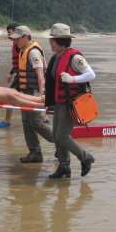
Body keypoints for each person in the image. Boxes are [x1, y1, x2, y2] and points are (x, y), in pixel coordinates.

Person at [42, 23, 96, 178]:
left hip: (70, 104)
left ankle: (85, 157)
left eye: (52, 39)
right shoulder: (56, 57)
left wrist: (72, 79)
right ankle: (64, 167)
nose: (50, 42)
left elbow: (91, 74)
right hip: (59, 102)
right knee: (57, 136)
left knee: (61, 136)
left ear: (61, 40)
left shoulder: (75, 57)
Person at [10, 26, 54, 163]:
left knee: (36, 122)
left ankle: (62, 141)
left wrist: (42, 95)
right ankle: (35, 152)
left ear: (26, 37)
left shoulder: (33, 52)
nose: (15, 41)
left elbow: (40, 75)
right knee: (26, 123)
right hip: (26, 92)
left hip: (35, 92)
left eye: (18, 38)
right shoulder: (23, 50)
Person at [0, 23, 20, 128]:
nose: (8, 35)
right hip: (20, 75)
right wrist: (11, 73)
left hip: (24, 77)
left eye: (9, 32)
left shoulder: (19, 44)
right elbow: (18, 62)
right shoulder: (16, 43)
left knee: (10, 96)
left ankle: (7, 121)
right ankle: (44, 118)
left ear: (16, 31)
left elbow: (22, 62)